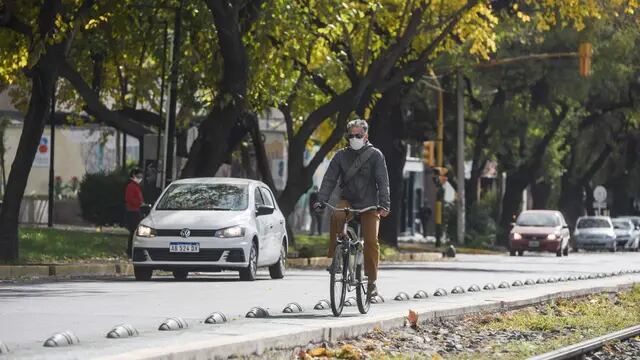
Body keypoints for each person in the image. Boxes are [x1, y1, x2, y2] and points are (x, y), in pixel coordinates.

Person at [313, 119, 390, 297]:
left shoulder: (376, 155)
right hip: (348, 201)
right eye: (351, 135)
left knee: (371, 241)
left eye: (358, 135)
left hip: (370, 205)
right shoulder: (340, 155)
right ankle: (336, 259)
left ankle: (371, 282)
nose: (354, 138)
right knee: (336, 215)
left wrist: (384, 205)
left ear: (366, 136)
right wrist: (321, 200)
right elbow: (329, 180)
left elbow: (383, 182)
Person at [124, 168, 145, 258]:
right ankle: (130, 251)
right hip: (132, 211)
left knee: (135, 232)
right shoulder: (131, 186)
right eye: (139, 176)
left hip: (136, 210)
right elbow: (129, 199)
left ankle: (132, 250)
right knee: (133, 231)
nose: (140, 178)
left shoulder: (136, 186)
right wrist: (139, 203)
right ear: (134, 176)